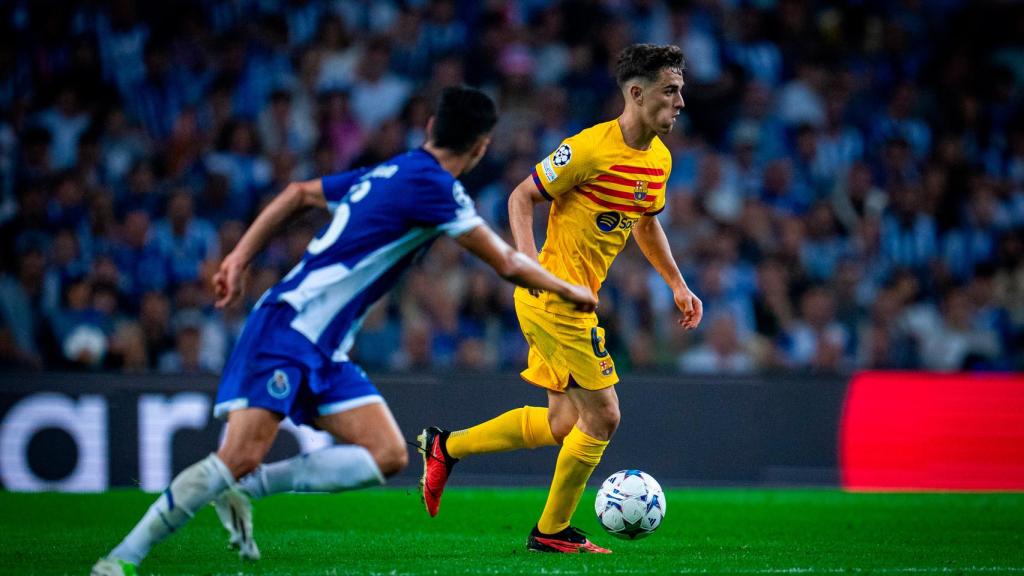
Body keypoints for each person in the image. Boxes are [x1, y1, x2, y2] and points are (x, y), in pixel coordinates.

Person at [91, 86, 597, 576]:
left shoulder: (393, 169)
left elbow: (297, 193)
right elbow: (507, 263)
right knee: (239, 454)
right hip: (289, 328)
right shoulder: (437, 189)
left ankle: (248, 489)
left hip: (324, 346)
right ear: (481, 147)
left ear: (429, 128)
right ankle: (121, 557)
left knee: (389, 455)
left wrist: (241, 256)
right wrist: (570, 290)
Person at [419, 44, 703, 554]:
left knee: (564, 423)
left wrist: (677, 284)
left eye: (681, 90)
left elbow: (645, 221)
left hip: (570, 299)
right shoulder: (589, 148)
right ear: (636, 94)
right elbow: (520, 197)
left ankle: (446, 446)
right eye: (671, 90)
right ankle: (550, 533)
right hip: (556, 299)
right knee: (605, 416)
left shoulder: (657, 158)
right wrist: (528, 264)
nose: (681, 101)